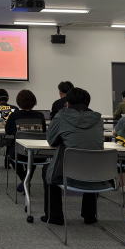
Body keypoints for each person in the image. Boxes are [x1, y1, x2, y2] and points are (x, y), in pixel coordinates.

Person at [42, 87, 103, 225]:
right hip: (98, 173)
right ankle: (90, 215)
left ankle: (54, 216)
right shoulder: (98, 119)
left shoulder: (61, 116)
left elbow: (51, 140)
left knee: (47, 169)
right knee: (89, 162)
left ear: (67, 103)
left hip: (68, 172)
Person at [5, 90, 46, 192]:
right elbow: (43, 132)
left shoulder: (14, 115)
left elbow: (8, 131)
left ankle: (24, 180)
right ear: (34, 101)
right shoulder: (40, 115)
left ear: (18, 102)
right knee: (32, 157)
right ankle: (27, 180)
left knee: (11, 155)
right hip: (38, 154)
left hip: (19, 153)